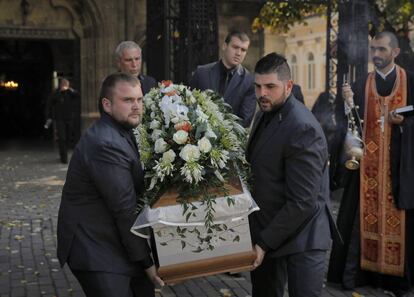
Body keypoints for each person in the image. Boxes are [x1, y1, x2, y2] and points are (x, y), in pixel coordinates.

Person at [56, 73, 164, 297]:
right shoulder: (106, 144)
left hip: (118, 241)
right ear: (107, 104)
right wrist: (147, 263)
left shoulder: (122, 130)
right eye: (128, 100)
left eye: (139, 100)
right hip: (96, 249)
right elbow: (124, 210)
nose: (136, 107)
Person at [327, 31, 414, 297]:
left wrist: (406, 125)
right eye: (373, 49)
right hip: (367, 170)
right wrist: (347, 104)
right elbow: (348, 125)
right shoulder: (361, 82)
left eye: (382, 50)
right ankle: (359, 275)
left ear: (395, 52)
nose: (376, 55)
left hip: (400, 169)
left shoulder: (411, 81)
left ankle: (395, 282)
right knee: (357, 222)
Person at [247, 52, 339, 297]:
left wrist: (263, 243)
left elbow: (302, 202)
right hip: (271, 230)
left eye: (270, 87)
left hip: (304, 238)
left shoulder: (303, 127)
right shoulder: (265, 112)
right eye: (257, 86)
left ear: (288, 86)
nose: (262, 93)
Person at [189, 31, 256, 128]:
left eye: (243, 50)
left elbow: (244, 121)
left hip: (229, 139)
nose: (238, 53)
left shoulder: (249, 81)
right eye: (235, 47)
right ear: (224, 46)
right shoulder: (201, 73)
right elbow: (189, 105)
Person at [45, 78, 80, 164]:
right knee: (62, 138)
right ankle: (63, 158)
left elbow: (77, 95)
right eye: (64, 84)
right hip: (59, 119)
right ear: (60, 84)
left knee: (68, 137)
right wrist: (49, 117)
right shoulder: (56, 93)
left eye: (67, 84)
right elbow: (49, 104)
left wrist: (70, 90)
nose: (65, 85)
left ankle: (65, 152)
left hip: (69, 118)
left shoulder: (70, 93)